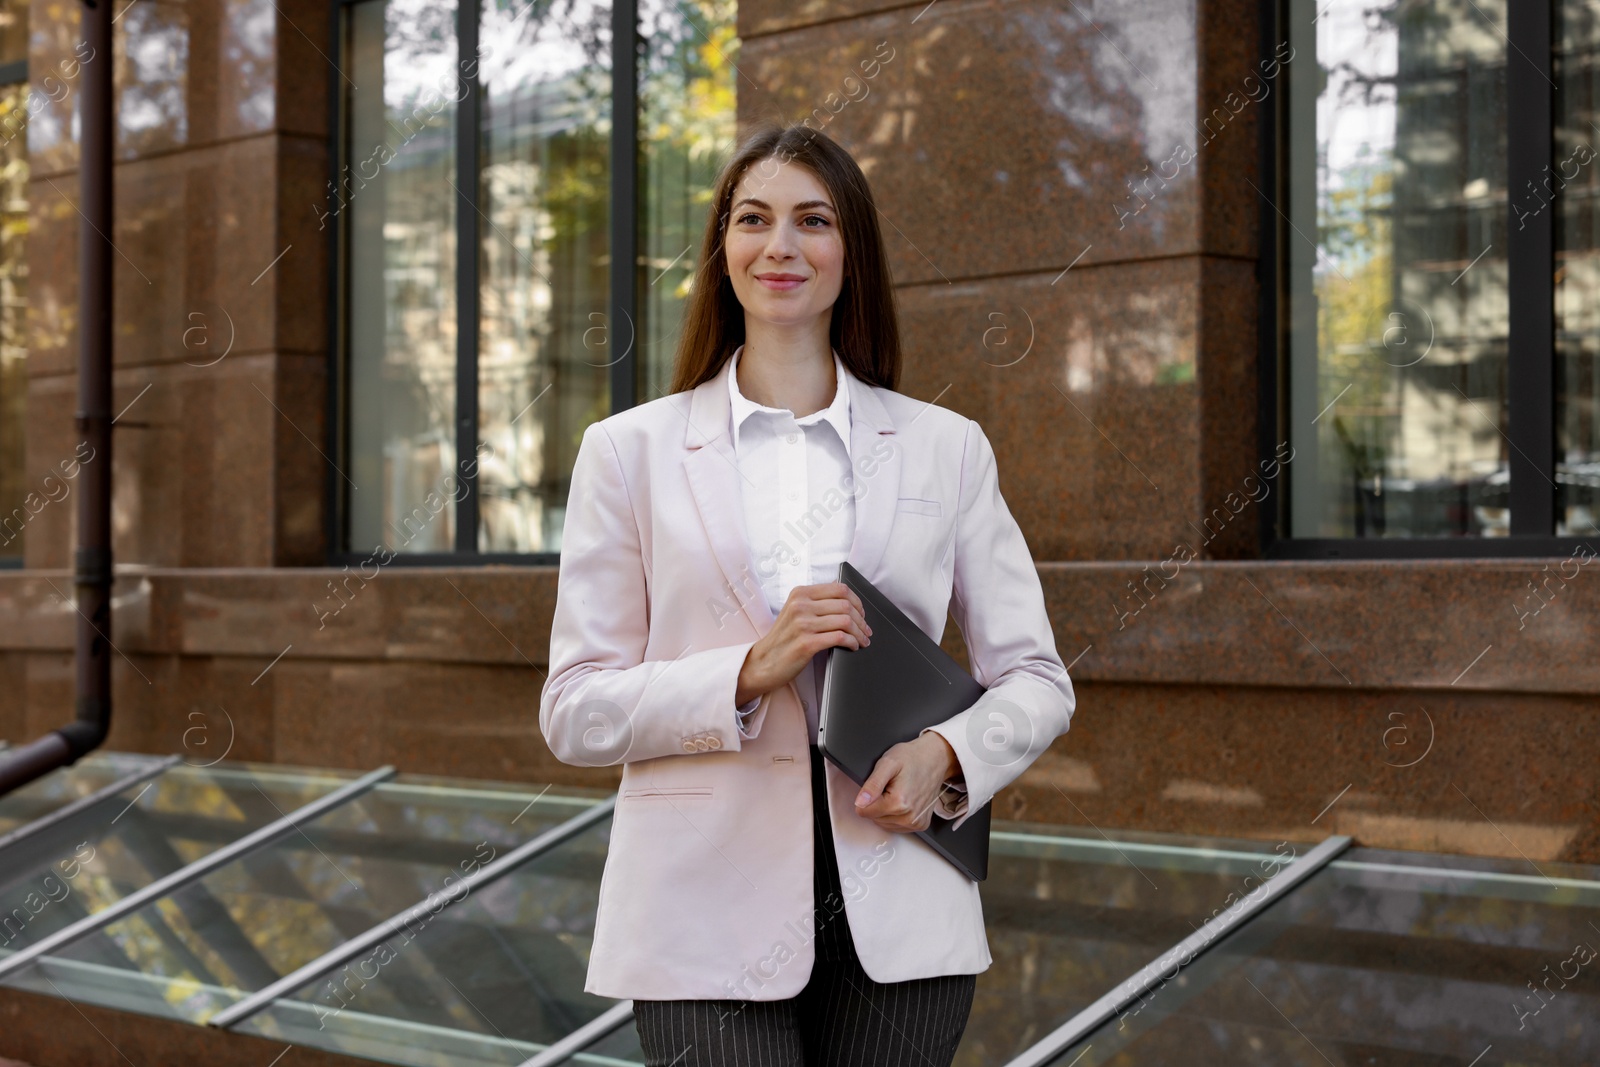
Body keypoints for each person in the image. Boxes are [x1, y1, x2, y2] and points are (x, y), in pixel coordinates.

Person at [540, 123, 1075, 1066]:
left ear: (849, 251)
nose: (780, 244)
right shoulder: (628, 453)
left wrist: (948, 754)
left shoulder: (946, 446)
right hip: (697, 912)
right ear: (723, 249)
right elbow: (575, 711)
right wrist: (746, 671)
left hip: (902, 899)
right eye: (753, 219)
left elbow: (1037, 678)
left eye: (812, 220)